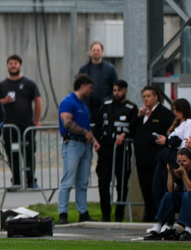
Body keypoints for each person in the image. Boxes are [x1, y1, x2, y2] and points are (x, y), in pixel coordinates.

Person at [0, 55, 42, 189]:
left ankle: (31, 180)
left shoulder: (29, 83)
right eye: (10, 63)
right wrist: (4, 101)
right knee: (12, 154)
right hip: (9, 127)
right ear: (7, 65)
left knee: (28, 153)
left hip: (26, 127)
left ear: (20, 65)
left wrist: (35, 122)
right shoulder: (1, 86)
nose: (13, 65)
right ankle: (16, 181)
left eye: (15, 63)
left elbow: (38, 102)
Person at [93, 80, 138, 222]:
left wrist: (125, 136)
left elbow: (135, 128)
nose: (116, 93)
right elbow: (97, 127)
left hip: (122, 151)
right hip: (106, 150)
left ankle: (119, 214)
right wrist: (97, 142)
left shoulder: (132, 108)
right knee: (104, 182)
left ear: (125, 91)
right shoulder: (105, 106)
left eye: (119, 90)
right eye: (114, 90)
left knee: (122, 183)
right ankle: (105, 214)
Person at [57, 74, 99, 225]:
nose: (91, 90)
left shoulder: (83, 105)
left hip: (84, 145)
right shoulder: (68, 102)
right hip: (73, 144)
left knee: (82, 181)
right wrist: (85, 133)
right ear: (82, 86)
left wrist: (93, 140)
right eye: (89, 87)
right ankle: (63, 212)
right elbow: (67, 123)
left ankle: (83, 211)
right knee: (68, 180)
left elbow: (86, 128)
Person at [134, 85, 174, 221]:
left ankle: (159, 215)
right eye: (144, 97)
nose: (146, 99)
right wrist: (138, 116)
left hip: (156, 159)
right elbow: (132, 130)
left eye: (148, 96)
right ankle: (149, 214)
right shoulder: (142, 115)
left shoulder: (165, 114)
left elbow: (172, 131)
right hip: (141, 159)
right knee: (145, 189)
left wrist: (166, 140)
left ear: (156, 97)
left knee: (156, 189)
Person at [144, 147, 191, 241]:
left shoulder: (185, 171)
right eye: (179, 161)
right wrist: (170, 173)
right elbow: (170, 190)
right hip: (184, 203)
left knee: (186, 195)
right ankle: (159, 225)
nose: (181, 164)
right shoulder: (179, 169)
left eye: (184, 161)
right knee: (168, 195)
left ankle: (188, 229)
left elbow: (189, 189)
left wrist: (184, 174)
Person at [153, 98, 191, 214]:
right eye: (174, 110)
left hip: (175, 159)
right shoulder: (176, 124)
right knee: (157, 189)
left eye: (177, 110)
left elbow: (184, 144)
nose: (175, 112)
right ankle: (161, 220)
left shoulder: (188, 123)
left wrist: (168, 142)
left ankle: (167, 220)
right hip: (164, 159)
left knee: (169, 189)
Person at [78, 41, 118, 114]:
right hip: (87, 107)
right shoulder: (84, 69)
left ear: (102, 52)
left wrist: (110, 100)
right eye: (94, 50)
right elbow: (78, 87)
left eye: (98, 50)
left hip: (105, 106)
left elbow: (116, 87)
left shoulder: (110, 69)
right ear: (90, 52)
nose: (96, 52)